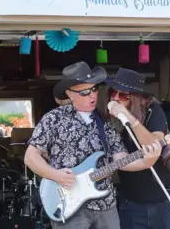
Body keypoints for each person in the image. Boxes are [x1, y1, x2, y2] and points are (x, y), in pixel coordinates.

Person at [24, 61, 162, 229]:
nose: (92, 96)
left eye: (95, 89)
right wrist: (55, 175)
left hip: (106, 205)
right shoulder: (53, 119)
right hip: (69, 205)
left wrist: (146, 162)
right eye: (85, 92)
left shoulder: (104, 121)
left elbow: (120, 158)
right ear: (70, 94)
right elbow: (30, 157)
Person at [103, 68, 170, 229]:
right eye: (113, 93)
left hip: (164, 199)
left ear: (136, 98)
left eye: (123, 95)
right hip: (132, 202)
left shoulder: (153, 111)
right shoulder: (109, 121)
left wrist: (129, 118)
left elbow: (154, 145)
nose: (116, 99)